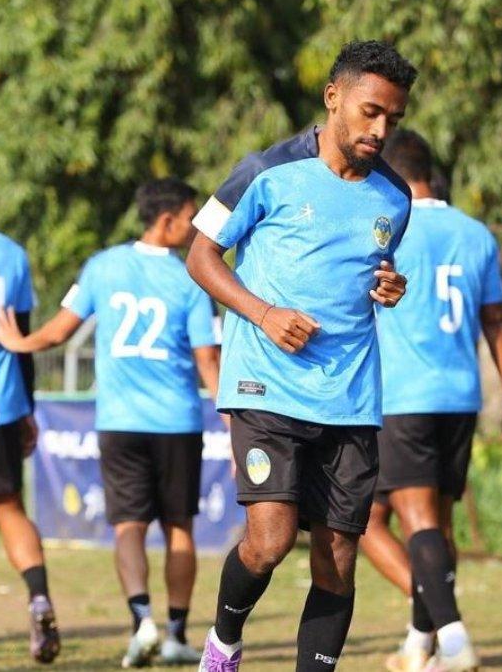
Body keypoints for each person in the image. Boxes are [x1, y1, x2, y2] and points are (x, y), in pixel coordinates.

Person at [185, 41, 416, 671]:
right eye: (370, 112)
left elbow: (373, 273)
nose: (380, 129)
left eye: (393, 119)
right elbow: (200, 256)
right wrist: (263, 313)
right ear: (333, 97)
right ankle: (223, 643)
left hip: (351, 395)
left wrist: (390, 288)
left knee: (339, 554)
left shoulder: (396, 199)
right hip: (266, 384)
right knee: (271, 539)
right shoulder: (264, 170)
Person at [0, 178, 221, 667]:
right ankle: (177, 634)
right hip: (177, 422)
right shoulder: (194, 278)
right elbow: (208, 363)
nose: (196, 225)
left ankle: (143, 625)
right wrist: (238, 423)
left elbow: (57, 330)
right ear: (167, 220)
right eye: (190, 216)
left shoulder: (104, 266)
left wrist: (19, 343)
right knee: (180, 528)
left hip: (120, 423)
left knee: (127, 528)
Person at [357, 128, 502, 672]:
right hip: (460, 397)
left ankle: (453, 637)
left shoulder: (386, 227)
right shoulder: (476, 233)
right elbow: (496, 322)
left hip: (404, 395)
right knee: (436, 524)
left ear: (389, 171)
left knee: (398, 523)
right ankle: (418, 644)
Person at [0, 223, 60, 664]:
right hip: (3, 402)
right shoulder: (9, 252)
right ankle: (39, 597)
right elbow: (22, 339)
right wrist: (27, 408)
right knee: (9, 509)